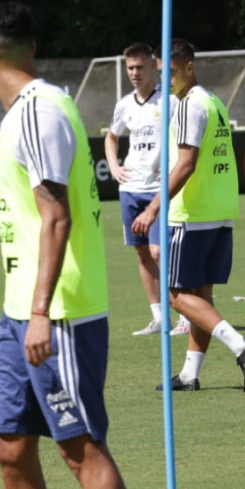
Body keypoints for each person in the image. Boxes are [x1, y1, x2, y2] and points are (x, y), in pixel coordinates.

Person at [0, 2, 157, 489]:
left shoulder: (41, 111)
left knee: (80, 447)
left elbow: (57, 216)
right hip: (18, 308)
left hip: (60, 311)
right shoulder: (26, 111)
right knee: (10, 445)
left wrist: (43, 312)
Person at [132, 39, 245, 391]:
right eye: (161, 73)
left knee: (175, 295)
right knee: (201, 294)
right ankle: (189, 374)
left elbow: (186, 164)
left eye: (170, 72)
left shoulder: (187, 106)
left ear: (189, 67)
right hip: (220, 210)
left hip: (192, 212)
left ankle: (241, 345)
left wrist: (154, 206)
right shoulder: (214, 100)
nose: (164, 79)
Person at [104, 42, 188, 337]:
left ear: (154, 67)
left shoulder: (170, 101)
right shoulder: (124, 104)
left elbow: (184, 138)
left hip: (158, 189)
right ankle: (158, 317)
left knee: (159, 251)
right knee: (142, 254)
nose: (135, 73)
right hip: (130, 189)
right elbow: (111, 137)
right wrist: (114, 167)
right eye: (130, 68)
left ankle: (185, 315)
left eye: (140, 67)